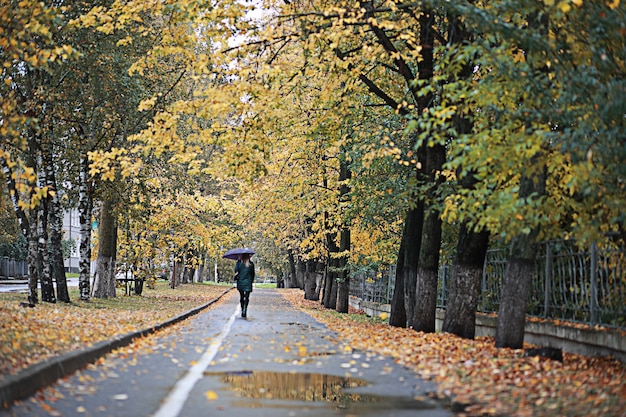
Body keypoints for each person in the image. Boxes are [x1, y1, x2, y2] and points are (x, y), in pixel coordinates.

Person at [234, 253, 255, 318]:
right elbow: (253, 274)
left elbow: (235, 270)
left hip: (240, 282)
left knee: (242, 296)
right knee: (247, 297)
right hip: (248, 282)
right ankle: (245, 309)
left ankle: (242, 307)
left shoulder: (239, 263)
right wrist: (251, 282)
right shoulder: (251, 264)